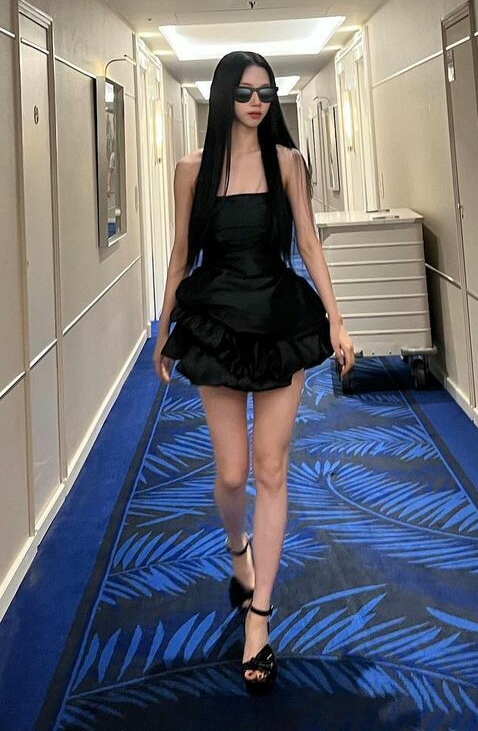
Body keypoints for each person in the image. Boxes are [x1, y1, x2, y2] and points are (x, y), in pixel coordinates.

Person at [152, 50, 356, 695]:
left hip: (279, 318)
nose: (256, 103)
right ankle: (237, 548)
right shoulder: (191, 170)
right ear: (223, 97)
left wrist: (337, 319)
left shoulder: (288, 162)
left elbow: (309, 242)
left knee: (271, 467)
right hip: (215, 321)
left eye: (265, 92)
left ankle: (259, 618)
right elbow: (182, 253)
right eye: (244, 93)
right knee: (232, 474)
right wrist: (164, 329)